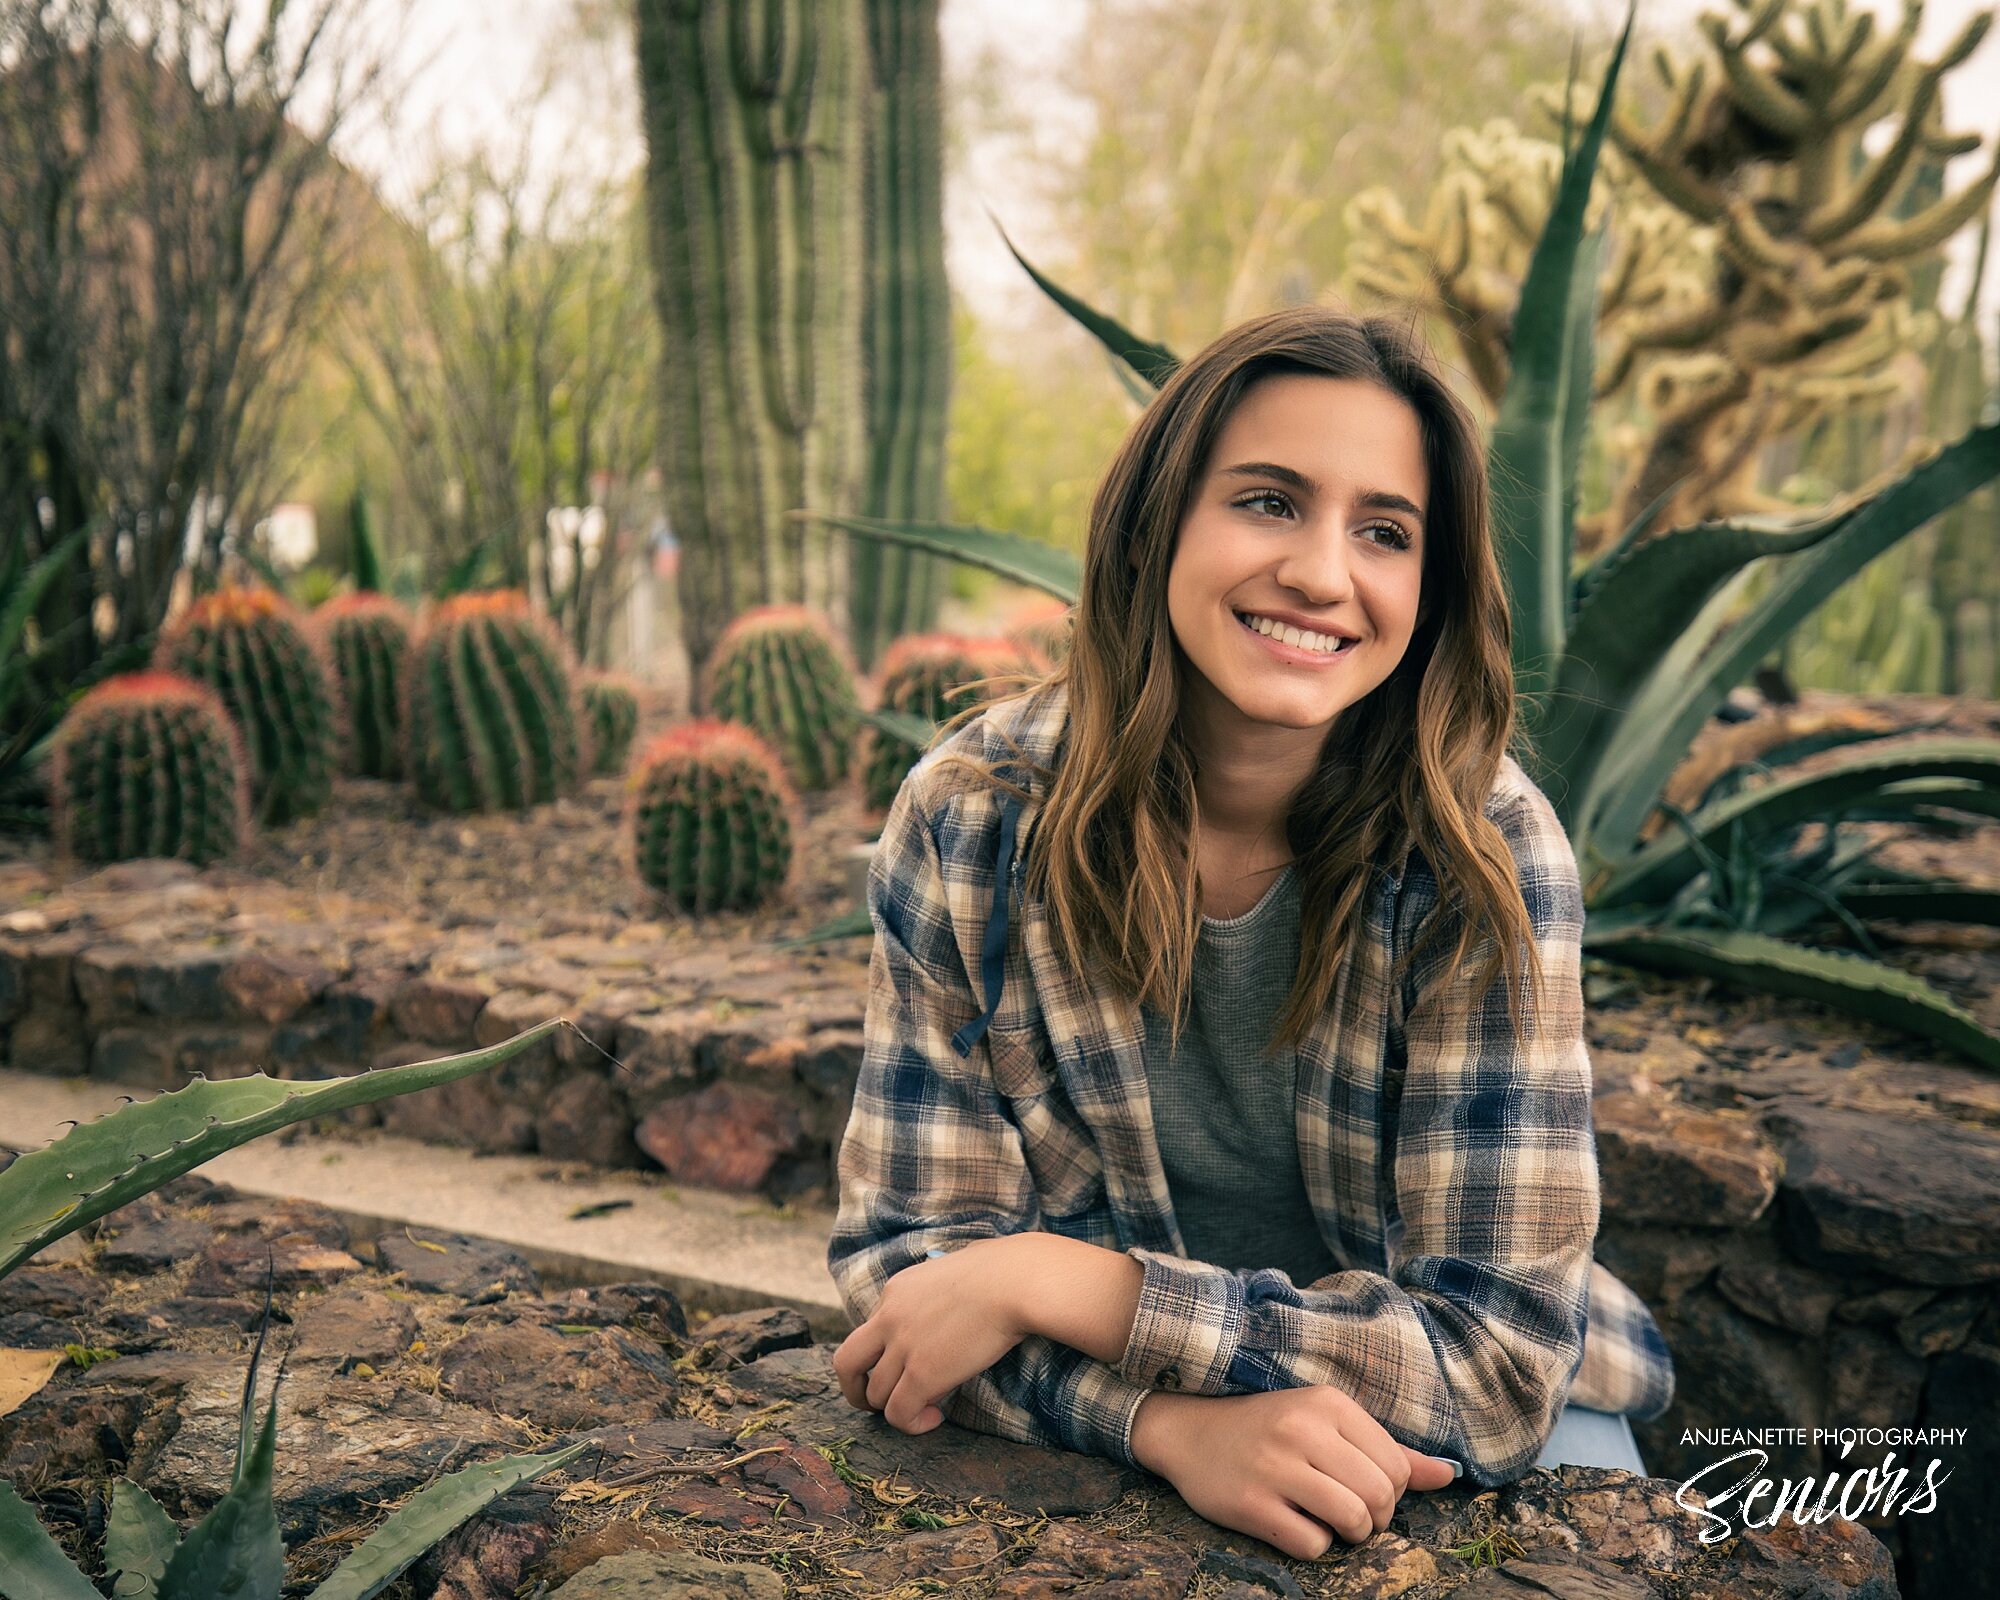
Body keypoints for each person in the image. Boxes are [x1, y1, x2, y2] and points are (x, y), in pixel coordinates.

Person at [826, 305, 1676, 1562]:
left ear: (1426, 588)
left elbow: (1492, 1371)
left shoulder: (1481, 852)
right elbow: (910, 1281)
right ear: (1157, 522)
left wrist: (1065, 1284)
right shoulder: (972, 818)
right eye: (1268, 502)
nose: (1323, 575)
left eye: (1383, 532)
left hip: (1482, 1427)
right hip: (1140, 1408)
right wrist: (1167, 1423)